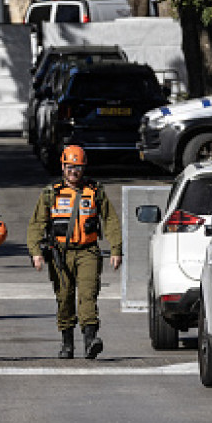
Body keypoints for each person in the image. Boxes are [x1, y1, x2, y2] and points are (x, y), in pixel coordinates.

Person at [26, 145, 123, 360]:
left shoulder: (95, 191)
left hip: (88, 251)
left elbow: (110, 220)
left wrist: (116, 249)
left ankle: (90, 340)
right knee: (64, 297)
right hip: (60, 254)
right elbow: (36, 224)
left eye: (78, 167)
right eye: (70, 167)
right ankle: (67, 344)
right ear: (62, 167)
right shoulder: (51, 193)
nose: (73, 172)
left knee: (88, 295)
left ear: (84, 168)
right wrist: (35, 253)